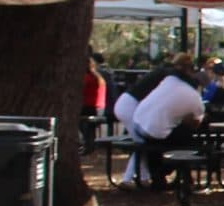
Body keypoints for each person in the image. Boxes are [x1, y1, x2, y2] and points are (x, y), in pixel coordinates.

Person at [124, 53, 205, 187]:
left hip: (138, 123)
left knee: (159, 131)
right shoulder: (194, 97)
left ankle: (159, 176)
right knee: (187, 138)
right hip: (155, 132)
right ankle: (172, 172)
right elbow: (196, 123)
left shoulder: (168, 81)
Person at [81, 52, 109, 152]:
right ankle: (89, 144)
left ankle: (86, 145)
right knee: (89, 128)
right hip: (100, 108)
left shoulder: (87, 78)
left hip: (90, 107)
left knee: (77, 119)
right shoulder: (99, 78)